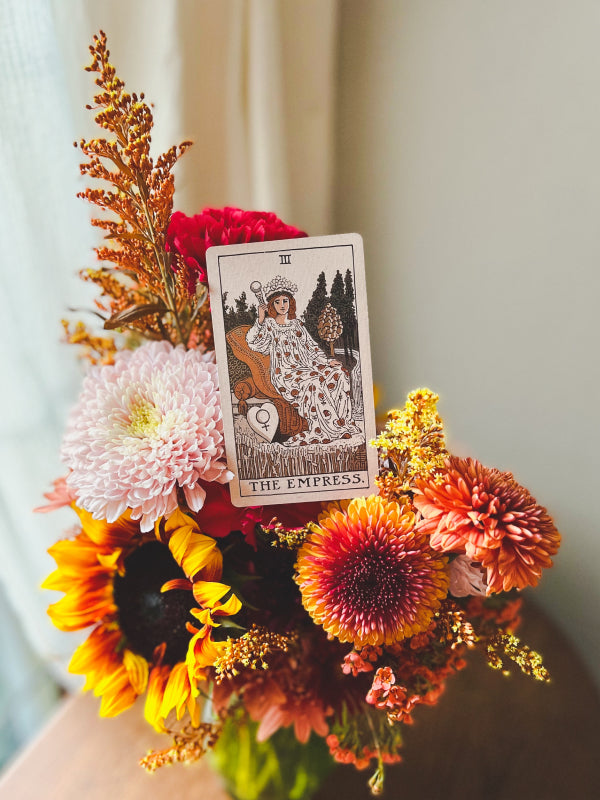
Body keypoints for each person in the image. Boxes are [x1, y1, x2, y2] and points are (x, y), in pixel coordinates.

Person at [245, 277, 361, 446]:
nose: (282, 305)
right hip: (285, 374)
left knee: (338, 374)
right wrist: (260, 320)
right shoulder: (269, 326)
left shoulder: (297, 325)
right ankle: (326, 430)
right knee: (314, 383)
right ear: (272, 305)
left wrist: (327, 362)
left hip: (307, 367)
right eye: (277, 302)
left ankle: (341, 424)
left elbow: (311, 348)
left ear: (290, 303)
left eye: (285, 301)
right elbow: (253, 342)